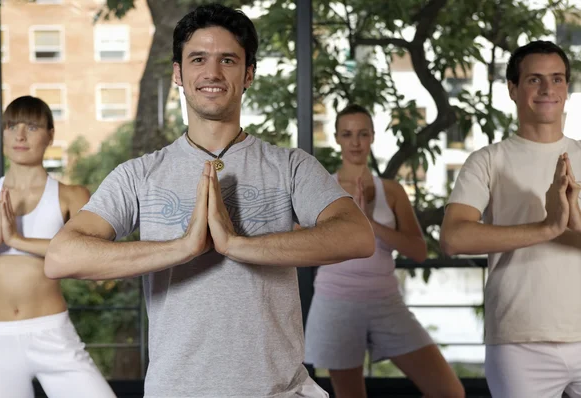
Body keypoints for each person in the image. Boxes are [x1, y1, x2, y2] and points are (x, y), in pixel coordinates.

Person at [44, 4, 375, 397]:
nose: (212, 73)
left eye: (228, 60)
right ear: (178, 73)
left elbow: (357, 236)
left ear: (248, 73)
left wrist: (237, 245)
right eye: (198, 59)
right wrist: (183, 247)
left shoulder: (290, 166)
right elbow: (62, 256)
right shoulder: (139, 174)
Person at [441, 40, 581, 398]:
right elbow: (454, 238)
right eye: (535, 80)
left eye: (558, 79)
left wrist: (573, 223)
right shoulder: (487, 160)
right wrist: (547, 227)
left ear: (567, 88)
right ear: (513, 89)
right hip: (519, 340)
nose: (548, 89)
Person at [304, 104, 464, 398]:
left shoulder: (392, 191)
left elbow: (418, 250)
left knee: (449, 391)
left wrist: (371, 223)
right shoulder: (321, 187)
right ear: (337, 138)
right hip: (336, 301)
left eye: (363, 134)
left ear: (373, 137)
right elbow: (307, 247)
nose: (355, 142)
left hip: (385, 300)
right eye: (347, 134)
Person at [0, 96, 115, 398]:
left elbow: (98, 260)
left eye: (31, 126)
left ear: (50, 135)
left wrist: (17, 241)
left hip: (51, 333)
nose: (20, 135)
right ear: (1, 133)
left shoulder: (71, 196)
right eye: (11, 126)